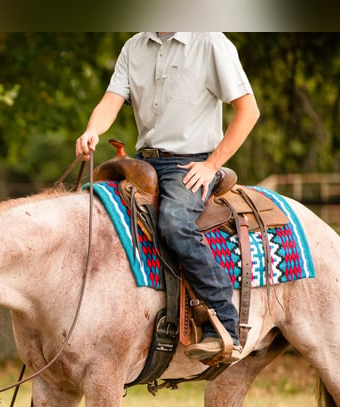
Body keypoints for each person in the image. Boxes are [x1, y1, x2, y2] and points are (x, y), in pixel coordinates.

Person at [76, 32, 260, 364]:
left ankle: (224, 323)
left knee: (175, 224)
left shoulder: (211, 43)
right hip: (142, 162)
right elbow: (111, 100)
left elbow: (248, 111)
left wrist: (211, 165)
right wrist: (93, 130)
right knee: (91, 212)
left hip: (189, 164)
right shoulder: (134, 46)